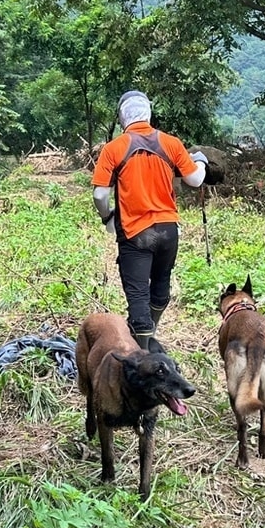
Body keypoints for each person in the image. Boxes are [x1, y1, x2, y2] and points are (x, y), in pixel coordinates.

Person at [91, 90, 209, 351]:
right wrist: (200, 161)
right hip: (168, 231)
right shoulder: (171, 143)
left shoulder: (114, 148)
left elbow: (100, 194)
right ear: (148, 114)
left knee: (137, 296)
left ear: (123, 119)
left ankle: (141, 350)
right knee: (160, 287)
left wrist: (107, 217)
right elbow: (195, 180)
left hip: (135, 234)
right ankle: (150, 333)